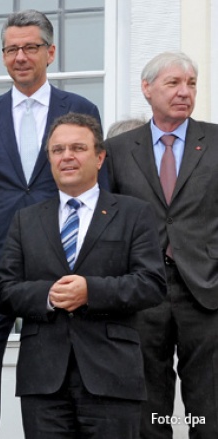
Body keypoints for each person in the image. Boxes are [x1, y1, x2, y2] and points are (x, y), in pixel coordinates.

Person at [0, 10, 102, 438]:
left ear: (50, 52)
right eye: (11, 49)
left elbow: (96, 186)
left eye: (30, 47)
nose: (21, 56)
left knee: (61, 371)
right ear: (2, 57)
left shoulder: (80, 109)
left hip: (62, 261)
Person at [0, 112, 166, 438]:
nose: (67, 156)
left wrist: (91, 291)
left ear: (100, 157)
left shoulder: (133, 213)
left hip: (111, 376)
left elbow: (152, 284)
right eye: (58, 150)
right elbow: (4, 289)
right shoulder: (26, 220)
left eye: (78, 148)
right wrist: (48, 296)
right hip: (43, 379)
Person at [105, 51, 218, 438]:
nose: (184, 92)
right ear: (147, 88)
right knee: (148, 408)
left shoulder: (216, 141)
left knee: (209, 406)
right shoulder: (118, 150)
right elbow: (107, 219)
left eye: (191, 84)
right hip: (142, 290)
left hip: (206, 291)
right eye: (173, 83)